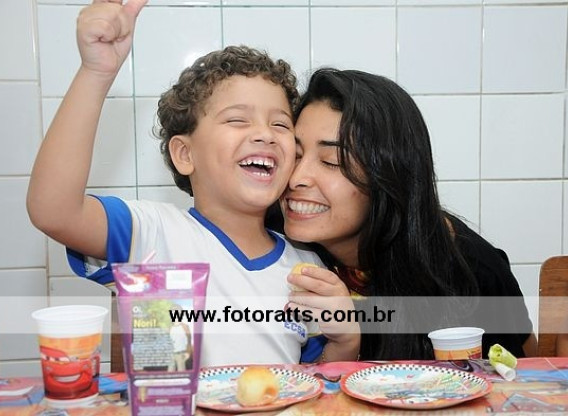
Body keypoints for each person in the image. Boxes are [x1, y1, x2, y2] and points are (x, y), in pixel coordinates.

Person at [26, 0, 359, 366]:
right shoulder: (150, 234)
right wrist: (95, 73)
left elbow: (315, 381)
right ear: (185, 154)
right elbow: (54, 210)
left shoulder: (307, 269)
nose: (265, 134)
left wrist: (345, 341)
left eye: (280, 124)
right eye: (237, 120)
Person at [278, 68, 537, 360]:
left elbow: (522, 372)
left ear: (388, 177)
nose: (296, 178)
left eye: (331, 161)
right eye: (295, 155)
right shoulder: (269, 241)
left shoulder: (471, 270)